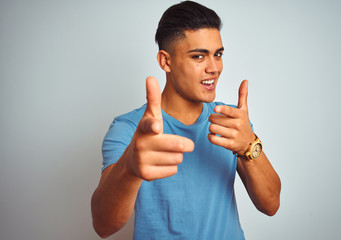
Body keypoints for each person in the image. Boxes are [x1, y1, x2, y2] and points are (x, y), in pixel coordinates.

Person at [91, 1, 281, 239]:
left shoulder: (231, 122)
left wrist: (249, 146)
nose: (214, 68)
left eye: (218, 54)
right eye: (199, 56)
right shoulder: (129, 129)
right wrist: (129, 168)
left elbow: (271, 205)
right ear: (165, 61)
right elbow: (103, 225)